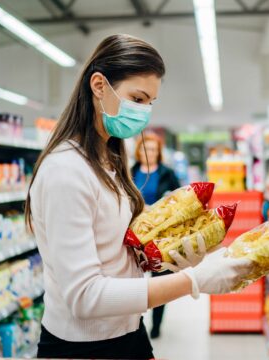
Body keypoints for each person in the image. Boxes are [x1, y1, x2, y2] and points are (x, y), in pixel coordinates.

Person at [25, 34, 252, 360]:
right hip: (83, 348)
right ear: (99, 85)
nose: (144, 113)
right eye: (137, 98)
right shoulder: (65, 171)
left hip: (129, 335)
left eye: (150, 103)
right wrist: (194, 281)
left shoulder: (108, 159)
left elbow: (117, 251)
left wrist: (175, 251)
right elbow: (86, 297)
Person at [131, 132, 180, 339]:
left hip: (161, 236)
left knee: (159, 279)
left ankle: (156, 325)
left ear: (158, 153)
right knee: (134, 280)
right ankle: (135, 322)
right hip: (135, 234)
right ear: (138, 151)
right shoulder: (129, 171)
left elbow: (180, 200)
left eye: (152, 149)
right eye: (145, 148)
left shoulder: (168, 173)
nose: (148, 153)